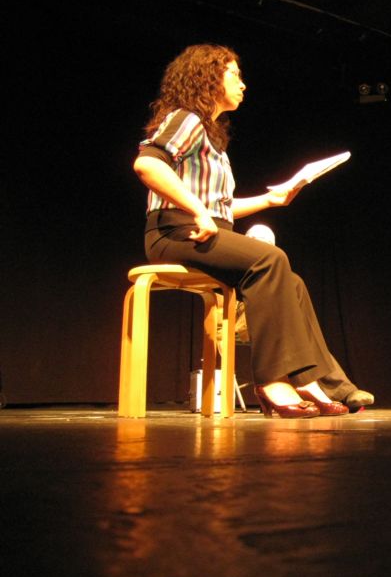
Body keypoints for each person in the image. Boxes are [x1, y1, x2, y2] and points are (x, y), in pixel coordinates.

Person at [133, 43, 365, 418]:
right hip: (172, 232)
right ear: (208, 77)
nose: (243, 84)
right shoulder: (185, 119)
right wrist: (197, 211)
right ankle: (273, 380)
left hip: (204, 231)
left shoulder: (212, 140)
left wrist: (270, 200)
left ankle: (321, 381)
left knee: (291, 282)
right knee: (270, 260)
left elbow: (220, 210)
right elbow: (147, 164)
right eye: (235, 75)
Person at [237, 224, 374, 410]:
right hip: (244, 318)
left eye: (266, 245)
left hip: (275, 316)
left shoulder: (273, 275)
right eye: (255, 243)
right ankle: (335, 390)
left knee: (295, 288)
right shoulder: (233, 265)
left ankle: (332, 390)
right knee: (299, 333)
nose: (261, 249)